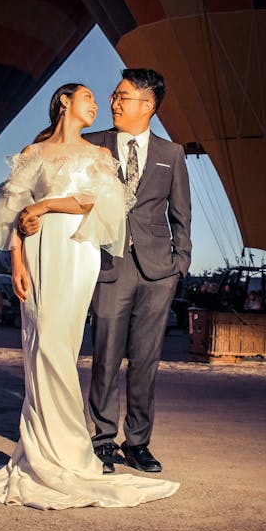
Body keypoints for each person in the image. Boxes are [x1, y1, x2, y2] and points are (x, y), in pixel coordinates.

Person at [0, 82, 179, 510]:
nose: (98, 103)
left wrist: (46, 207)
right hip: (37, 254)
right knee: (39, 346)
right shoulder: (33, 154)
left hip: (77, 253)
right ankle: (42, 453)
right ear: (65, 101)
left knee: (58, 346)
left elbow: (103, 203)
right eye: (88, 96)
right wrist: (16, 262)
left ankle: (69, 452)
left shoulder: (99, 155)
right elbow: (12, 209)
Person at [83, 68, 192, 474]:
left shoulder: (172, 154)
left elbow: (182, 213)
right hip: (109, 265)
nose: (113, 102)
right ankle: (103, 440)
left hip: (158, 272)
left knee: (146, 361)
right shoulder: (92, 145)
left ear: (147, 105)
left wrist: (179, 265)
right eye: (113, 95)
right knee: (106, 357)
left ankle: (139, 442)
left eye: (122, 96)